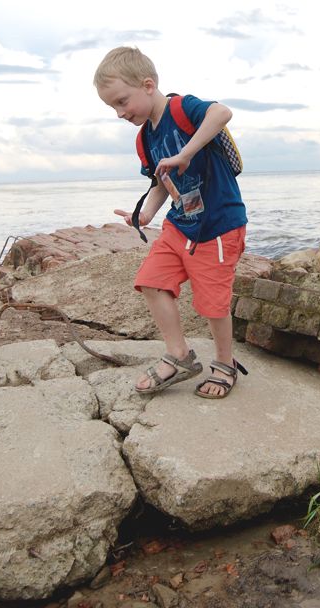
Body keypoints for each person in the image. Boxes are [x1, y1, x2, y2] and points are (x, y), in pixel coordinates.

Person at [94, 46, 248, 399]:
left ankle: (225, 364)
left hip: (219, 226)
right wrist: (146, 214)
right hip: (180, 225)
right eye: (113, 107)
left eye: (122, 101)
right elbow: (159, 181)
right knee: (150, 281)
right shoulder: (145, 137)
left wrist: (186, 152)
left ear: (148, 85)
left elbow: (222, 113)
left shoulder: (183, 108)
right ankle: (179, 354)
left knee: (212, 303)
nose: (119, 113)